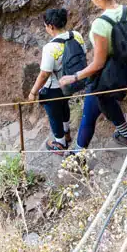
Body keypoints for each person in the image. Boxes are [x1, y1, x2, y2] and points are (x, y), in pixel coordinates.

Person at [59, 0, 127, 150]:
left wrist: (74, 77)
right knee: (105, 102)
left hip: (106, 78)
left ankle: (78, 155)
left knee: (89, 114)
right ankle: (125, 134)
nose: (91, 0)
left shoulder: (100, 24)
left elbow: (98, 63)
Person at [27, 8, 86, 152]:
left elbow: (44, 74)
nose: (45, 28)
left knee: (54, 114)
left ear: (51, 26)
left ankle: (60, 143)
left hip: (53, 88)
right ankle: (66, 133)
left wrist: (33, 92)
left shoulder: (50, 48)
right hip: (69, 83)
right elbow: (83, 55)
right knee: (64, 105)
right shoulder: (76, 35)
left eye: (45, 25)